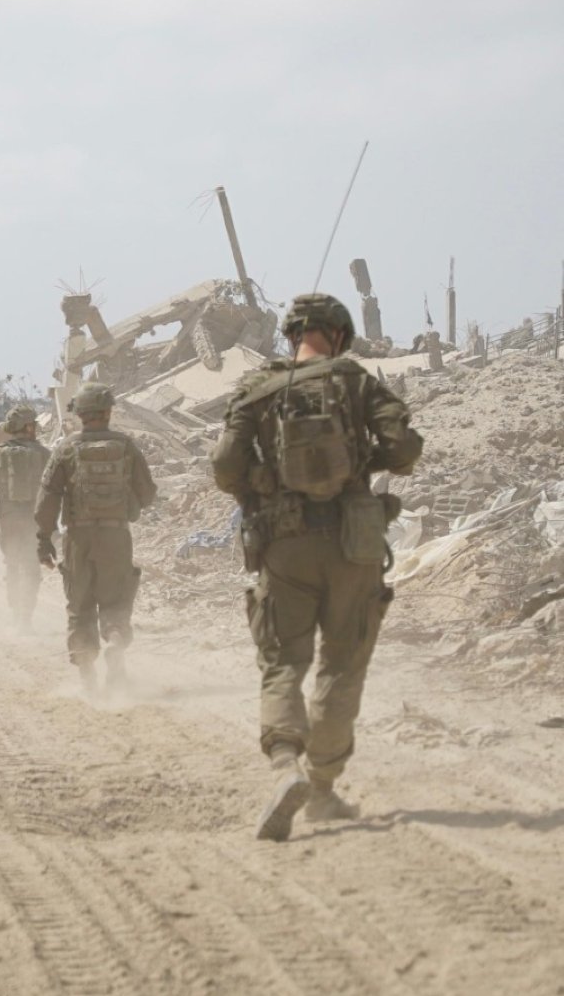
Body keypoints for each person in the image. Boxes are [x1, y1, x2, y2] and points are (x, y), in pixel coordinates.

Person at [212, 293, 422, 842]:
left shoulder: (256, 390)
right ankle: (322, 786)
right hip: (353, 542)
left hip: (283, 544)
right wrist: (363, 461)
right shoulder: (354, 379)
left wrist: (265, 482)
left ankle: (285, 766)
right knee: (343, 663)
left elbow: (225, 468)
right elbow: (403, 450)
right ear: (338, 333)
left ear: (291, 333)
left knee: (282, 662)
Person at [35, 383, 156, 694]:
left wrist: (43, 539)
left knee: (80, 604)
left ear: (79, 414)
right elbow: (148, 492)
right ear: (107, 411)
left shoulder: (65, 448)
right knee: (115, 600)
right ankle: (115, 642)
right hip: (116, 535)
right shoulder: (126, 446)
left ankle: (87, 675)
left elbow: (48, 497)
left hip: (77, 537)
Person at [0, 405, 50, 628]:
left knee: (12, 563)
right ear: (29, 427)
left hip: (8, 519)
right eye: (34, 425)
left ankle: (14, 610)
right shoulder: (45, 453)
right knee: (31, 566)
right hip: (34, 520)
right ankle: (25, 617)